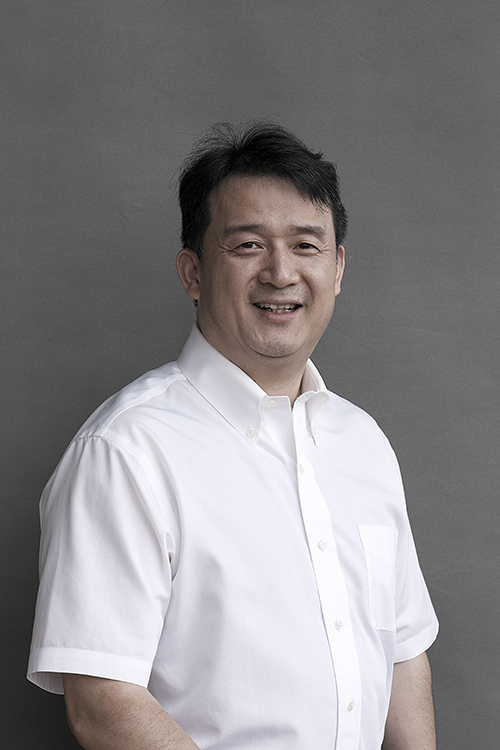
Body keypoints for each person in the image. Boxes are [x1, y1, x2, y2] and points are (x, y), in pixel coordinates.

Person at [28, 122, 438, 750]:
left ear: (337, 268)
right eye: (248, 245)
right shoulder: (125, 451)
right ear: (192, 272)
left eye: (306, 245)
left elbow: (402, 653)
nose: (281, 272)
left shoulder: (363, 443)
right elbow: (103, 702)